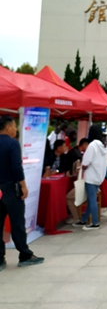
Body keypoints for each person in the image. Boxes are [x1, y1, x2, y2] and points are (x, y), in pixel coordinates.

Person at [0, 116, 45, 270]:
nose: (15, 129)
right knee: (17, 222)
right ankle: (24, 255)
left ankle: (0, 259)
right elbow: (16, 167)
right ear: (8, 127)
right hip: (11, 189)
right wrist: (23, 186)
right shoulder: (12, 144)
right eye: (14, 126)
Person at [73, 125, 107, 230]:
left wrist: (81, 167)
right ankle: (84, 219)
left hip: (91, 176)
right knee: (91, 199)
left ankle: (95, 222)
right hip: (99, 176)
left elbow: (86, 162)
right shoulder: (104, 146)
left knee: (91, 199)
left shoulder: (92, 145)